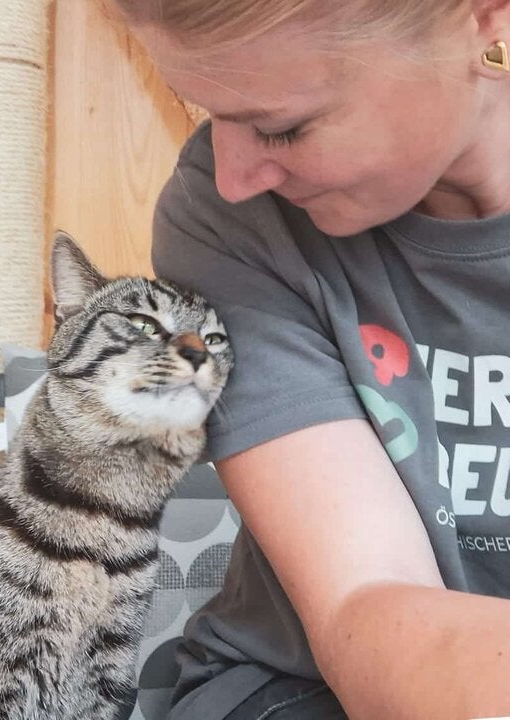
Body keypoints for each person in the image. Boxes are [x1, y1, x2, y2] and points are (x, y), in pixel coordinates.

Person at [109, 1, 510, 718]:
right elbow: (366, 599)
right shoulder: (223, 216)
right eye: (198, 107)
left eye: (281, 127)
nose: (233, 174)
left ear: (482, 19)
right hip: (307, 684)